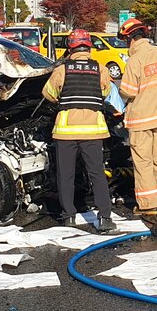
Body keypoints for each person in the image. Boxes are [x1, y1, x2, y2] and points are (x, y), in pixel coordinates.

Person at [42, 29, 116, 233]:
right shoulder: (101, 69)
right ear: (89, 47)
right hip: (93, 131)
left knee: (65, 175)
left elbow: (47, 93)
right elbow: (106, 92)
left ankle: (69, 217)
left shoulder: (62, 70)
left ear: (70, 47)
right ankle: (105, 217)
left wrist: (63, 98)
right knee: (97, 173)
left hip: (66, 132)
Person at [117, 18, 157, 216]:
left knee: (143, 161)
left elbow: (128, 92)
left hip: (141, 119)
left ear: (131, 39)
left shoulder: (135, 60)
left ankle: (148, 205)